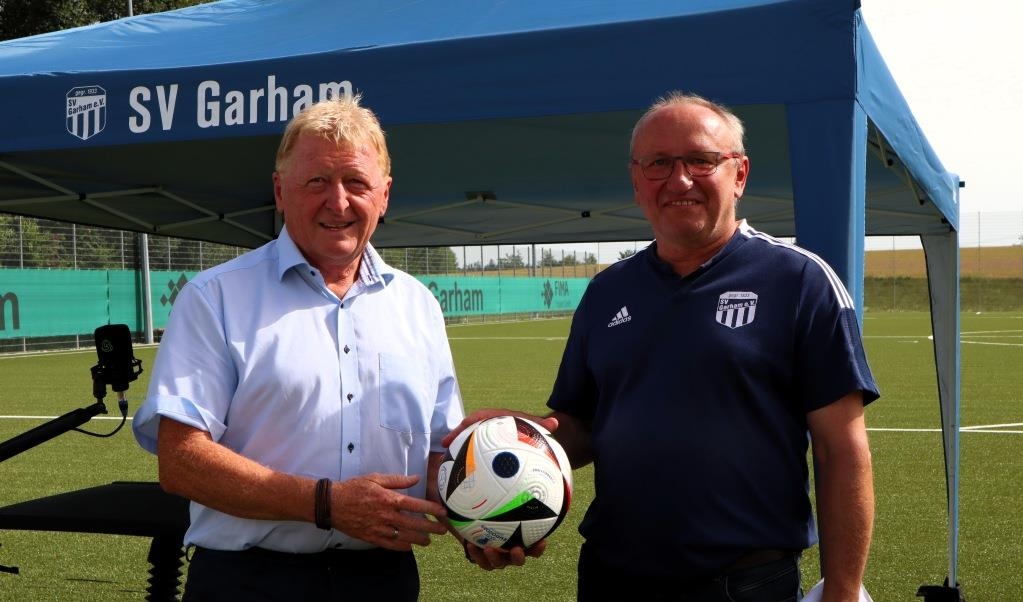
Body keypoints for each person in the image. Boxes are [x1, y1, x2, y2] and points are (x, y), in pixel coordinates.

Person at [444, 91, 880, 601]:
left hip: (743, 584)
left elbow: (841, 450)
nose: (679, 180)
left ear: (739, 174)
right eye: (659, 164)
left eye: (701, 160)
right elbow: (582, 426)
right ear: (636, 181)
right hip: (612, 578)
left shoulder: (800, 281)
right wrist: (524, 439)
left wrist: (845, 590)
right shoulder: (608, 291)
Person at [132, 96, 468, 600]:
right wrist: (326, 503)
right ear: (280, 191)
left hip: (383, 581)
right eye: (316, 181)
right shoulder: (217, 296)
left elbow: (440, 455)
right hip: (247, 581)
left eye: (356, 182)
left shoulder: (418, 306)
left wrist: (488, 514)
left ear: (384, 195)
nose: (338, 202)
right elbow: (181, 461)